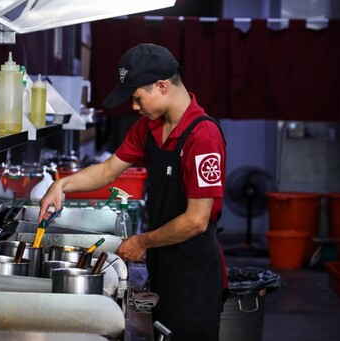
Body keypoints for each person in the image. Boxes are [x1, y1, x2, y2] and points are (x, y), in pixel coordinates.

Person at [38, 43, 227, 340]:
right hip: (163, 265)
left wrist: (143, 241)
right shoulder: (148, 127)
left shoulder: (203, 137)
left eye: (137, 98)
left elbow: (196, 220)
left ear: (162, 86)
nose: (135, 107)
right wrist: (60, 184)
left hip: (195, 275)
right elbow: (107, 169)